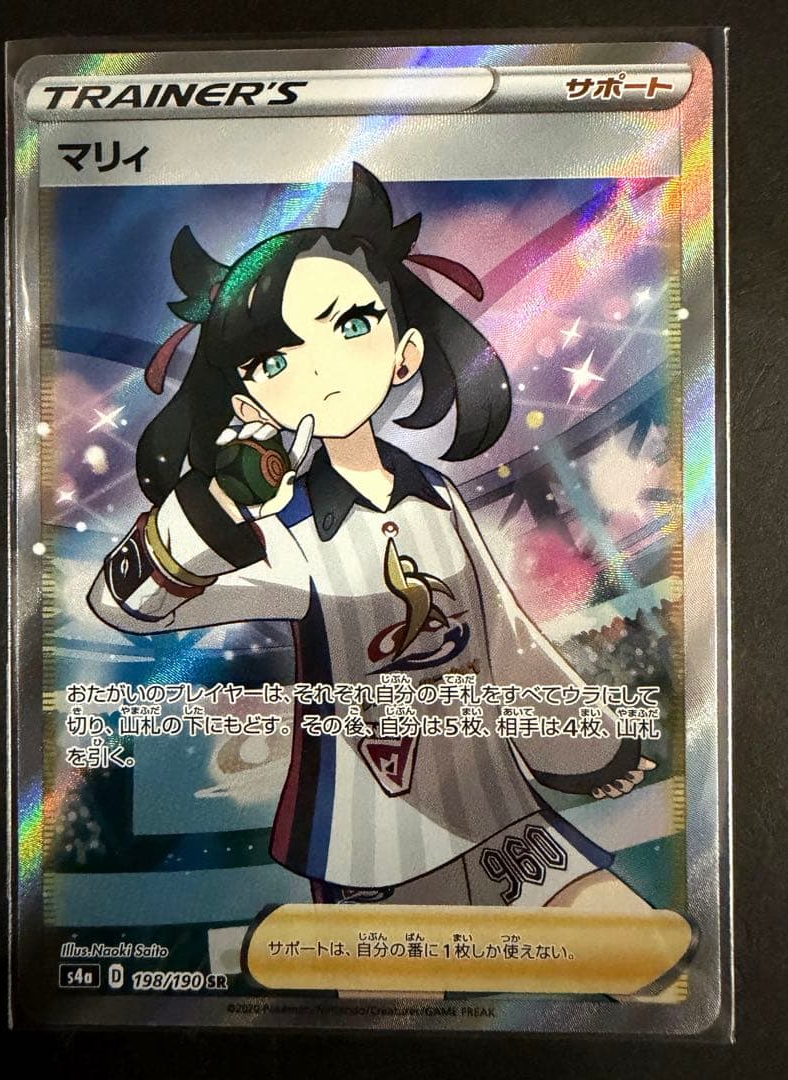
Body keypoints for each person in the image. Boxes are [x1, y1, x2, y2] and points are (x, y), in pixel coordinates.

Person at [88, 163, 655, 912]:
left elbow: (505, 636)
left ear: (404, 352)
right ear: (249, 389)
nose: (320, 367)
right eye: (275, 358)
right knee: (398, 989)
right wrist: (219, 502)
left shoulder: (435, 496)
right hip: (374, 852)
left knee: (628, 941)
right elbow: (125, 605)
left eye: (351, 325)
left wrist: (581, 744)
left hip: (498, 814)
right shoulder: (285, 534)